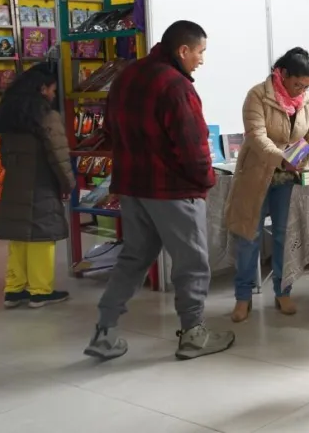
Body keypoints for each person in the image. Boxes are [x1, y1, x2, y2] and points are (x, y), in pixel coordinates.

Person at [84, 20, 235, 362]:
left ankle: (104, 331)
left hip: (132, 188)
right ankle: (194, 334)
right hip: (172, 191)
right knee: (192, 262)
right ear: (183, 50)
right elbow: (193, 145)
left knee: (134, 257)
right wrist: (205, 182)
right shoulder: (177, 86)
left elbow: (109, 131)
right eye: (200, 52)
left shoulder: (126, 76)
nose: (201, 60)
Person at [225, 48, 309, 322]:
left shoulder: (307, 100)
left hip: (288, 179)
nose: (302, 90)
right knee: (248, 236)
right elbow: (255, 136)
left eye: (307, 86)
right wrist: (282, 158)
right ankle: (243, 298)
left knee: (283, 237)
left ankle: (282, 291)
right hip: (256, 176)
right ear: (283, 74)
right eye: (298, 84)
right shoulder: (258, 95)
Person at [0, 64, 75, 309]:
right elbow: (58, 156)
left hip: (15, 182)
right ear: (42, 89)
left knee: (18, 237)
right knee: (42, 236)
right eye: (52, 89)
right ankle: (40, 291)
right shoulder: (47, 117)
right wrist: (68, 184)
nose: (53, 94)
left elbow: (5, 155)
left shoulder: (9, 117)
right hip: (42, 184)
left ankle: (14, 289)